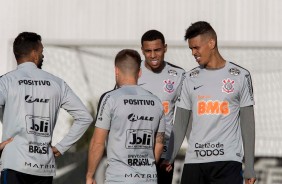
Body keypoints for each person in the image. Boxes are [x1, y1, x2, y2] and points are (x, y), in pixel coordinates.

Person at [164, 21, 256, 184]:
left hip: (227, 162)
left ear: (211, 43)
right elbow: (180, 122)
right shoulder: (189, 78)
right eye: (191, 49)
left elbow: (248, 124)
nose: (193, 53)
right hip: (194, 162)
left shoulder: (241, 76)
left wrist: (249, 166)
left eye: (196, 47)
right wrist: (170, 156)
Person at [0, 32, 93, 184]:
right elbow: (85, 117)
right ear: (34, 53)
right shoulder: (57, 83)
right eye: (42, 51)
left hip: (14, 163)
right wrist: (61, 147)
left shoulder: (6, 82)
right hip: (43, 166)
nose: (43, 56)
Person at [86, 49, 165, 184]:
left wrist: (90, 175)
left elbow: (97, 143)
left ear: (116, 71)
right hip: (148, 179)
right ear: (139, 72)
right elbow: (159, 143)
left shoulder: (110, 98)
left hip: (119, 179)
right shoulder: (156, 101)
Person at [138, 30, 185, 184]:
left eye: (157, 50)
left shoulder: (178, 75)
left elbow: (184, 117)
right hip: (135, 151)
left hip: (165, 154)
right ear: (142, 50)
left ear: (165, 48)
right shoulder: (132, 72)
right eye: (148, 51)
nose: (152, 55)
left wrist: (172, 155)